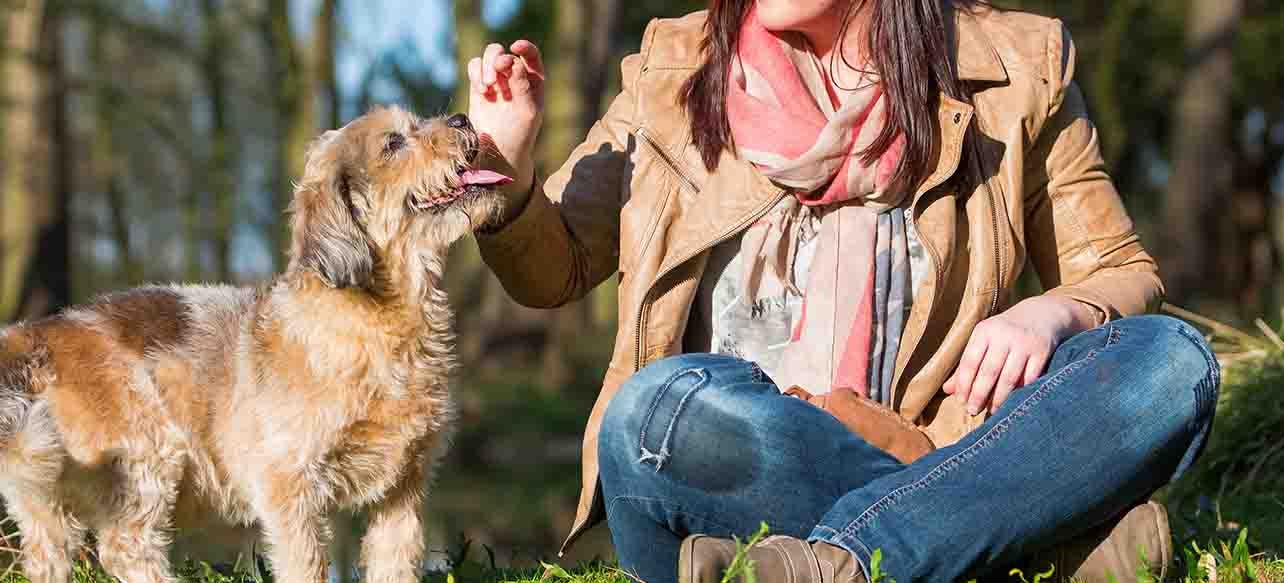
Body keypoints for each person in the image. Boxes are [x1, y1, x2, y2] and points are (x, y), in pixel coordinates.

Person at [463, 0, 1218, 581]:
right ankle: (1024, 547)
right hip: (721, 458)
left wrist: (1050, 311)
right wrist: (511, 162)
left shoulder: (1016, 71)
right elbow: (550, 270)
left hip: (935, 432)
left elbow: (1121, 268)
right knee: (650, 413)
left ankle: (830, 563)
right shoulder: (671, 72)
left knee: (1172, 358)